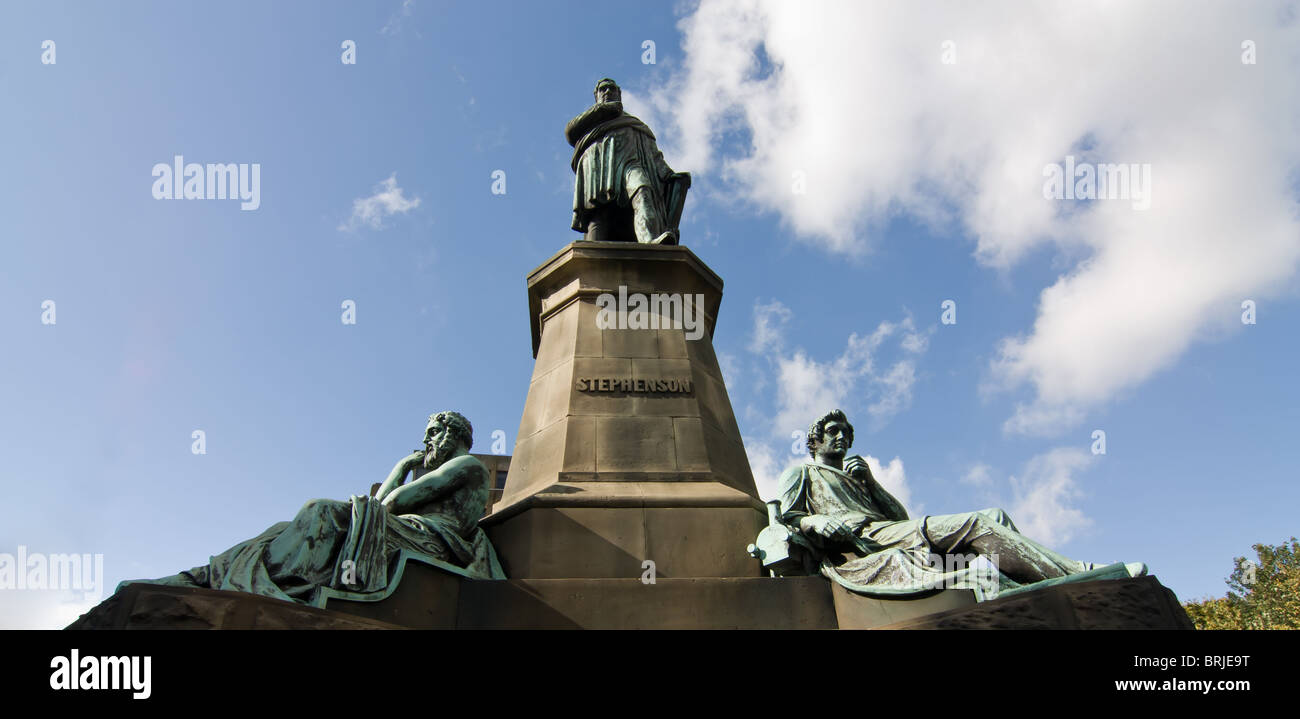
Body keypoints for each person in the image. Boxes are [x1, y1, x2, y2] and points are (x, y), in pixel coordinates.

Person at [121, 411, 504, 605]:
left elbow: (389, 503)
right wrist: (403, 467)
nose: (427, 439)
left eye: (434, 432)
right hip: (405, 531)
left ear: (455, 435)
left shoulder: (466, 465)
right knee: (282, 527)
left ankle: (256, 586)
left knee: (322, 514)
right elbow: (381, 506)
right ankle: (206, 578)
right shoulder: (441, 466)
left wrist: (401, 471)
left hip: (431, 541)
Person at [777, 409, 1143, 596]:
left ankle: (1031, 584)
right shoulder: (802, 473)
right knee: (976, 524)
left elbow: (900, 516)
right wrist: (817, 522)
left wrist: (871, 482)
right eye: (832, 432)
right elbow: (790, 518)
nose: (841, 437)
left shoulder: (858, 474)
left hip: (893, 531)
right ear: (814, 440)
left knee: (995, 515)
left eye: (846, 433)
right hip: (864, 541)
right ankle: (1079, 575)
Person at [566, 78, 689, 244]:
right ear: (596, 95)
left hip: (631, 166)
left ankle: (650, 240)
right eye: (603, 90)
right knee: (598, 216)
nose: (608, 92)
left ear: (619, 93)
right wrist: (603, 109)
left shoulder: (635, 125)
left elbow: (654, 156)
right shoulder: (588, 121)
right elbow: (570, 133)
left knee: (643, 190)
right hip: (600, 171)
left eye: (611, 89)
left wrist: (670, 176)